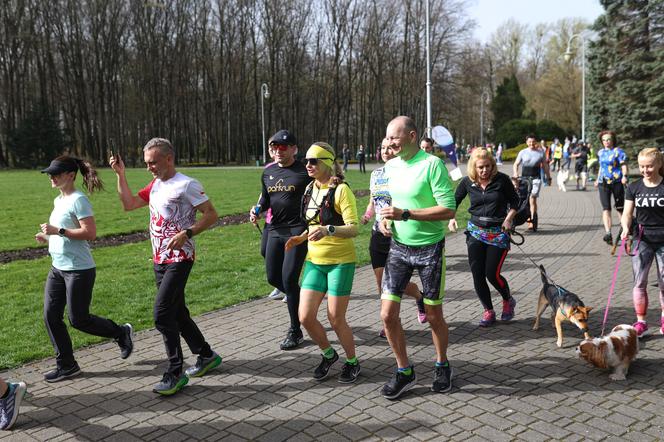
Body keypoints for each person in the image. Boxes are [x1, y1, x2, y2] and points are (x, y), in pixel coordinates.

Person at [110, 138, 221, 396]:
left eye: (153, 162)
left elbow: (211, 214)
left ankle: (175, 371)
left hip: (180, 258)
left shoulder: (187, 185)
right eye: (146, 163)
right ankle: (206, 355)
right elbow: (128, 204)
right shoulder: (156, 185)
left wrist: (188, 233)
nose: (149, 167)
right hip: (159, 259)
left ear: (168, 159)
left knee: (162, 314)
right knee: (178, 312)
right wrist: (121, 175)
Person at [378, 116, 456, 399]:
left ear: (412, 136)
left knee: (434, 316)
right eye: (387, 138)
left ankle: (442, 364)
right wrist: (385, 220)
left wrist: (406, 214)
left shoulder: (431, 165)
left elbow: (448, 209)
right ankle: (404, 370)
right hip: (398, 247)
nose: (389, 143)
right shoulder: (390, 165)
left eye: (394, 138)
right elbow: (388, 203)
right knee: (387, 315)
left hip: (430, 249)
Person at [36, 156, 133, 382]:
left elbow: (89, 233)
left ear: (70, 175)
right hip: (57, 268)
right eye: (50, 173)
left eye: (56, 173)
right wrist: (47, 236)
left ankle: (120, 332)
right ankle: (67, 365)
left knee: (78, 319)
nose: (51, 177)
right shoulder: (58, 200)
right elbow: (63, 234)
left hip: (78, 270)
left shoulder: (79, 200)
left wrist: (57, 230)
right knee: (51, 316)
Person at [286, 142, 361, 383]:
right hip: (315, 261)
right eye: (306, 161)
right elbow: (312, 224)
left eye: (313, 161)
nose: (308, 165)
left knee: (335, 318)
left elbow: (353, 228)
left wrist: (329, 230)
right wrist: (300, 237)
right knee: (305, 316)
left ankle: (352, 362)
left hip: (341, 262)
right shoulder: (309, 188)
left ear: (327, 163)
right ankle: (329, 354)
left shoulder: (341, 190)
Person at [250, 129, 311, 350]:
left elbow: (325, 183)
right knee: (273, 278)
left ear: (294, 148)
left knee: (288, 278)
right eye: (273, 147)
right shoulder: (268, 173)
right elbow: (266, 199)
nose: (277, 151)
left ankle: (295, 330)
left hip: (297, 230)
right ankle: (302, 297)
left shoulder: (305, 170)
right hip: (274, 228)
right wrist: (257, 209)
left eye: (282, 147)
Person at [361, 138, 428, 338]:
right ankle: (390, 321)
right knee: (383, 283)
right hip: (378, 233)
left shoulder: (404, 173)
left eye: (390, 148)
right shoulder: (376, 174)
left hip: (399, 234)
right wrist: (367, 214)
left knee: (396, 284)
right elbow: (374, 200)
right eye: (382, 148)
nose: (385, 151)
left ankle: (418, 297)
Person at [448, 147, 519, 326]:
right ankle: (488, 310)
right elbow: (453, 202)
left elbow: (516, 201)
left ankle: (507, 299)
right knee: (477, 274)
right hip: (476, 232)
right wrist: (451, 218)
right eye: (480, 167)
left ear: (492, 165)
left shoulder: (501, 180)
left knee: (492, 273)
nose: (484, 170)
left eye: (487, 166)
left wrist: (509, 219)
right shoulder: (467, 182)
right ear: (474, 167)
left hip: (498, 232)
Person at [620, 147, 664, 337]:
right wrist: (625, 228)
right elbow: (627, 214)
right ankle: (641, 322)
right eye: (641, 166)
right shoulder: (634, 187)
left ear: (659, 164)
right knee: (639, 282)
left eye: (649, 166)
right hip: (642, 239)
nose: (645, 170)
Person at [260, 144, 286, 301]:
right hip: (270, 220)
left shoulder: (292, 170)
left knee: (282, 255)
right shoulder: (269, 168)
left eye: (277, 148)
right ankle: (281, 285)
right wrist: (257, 210)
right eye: (271, 150)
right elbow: (265, 194)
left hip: (286, 223)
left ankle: (288, 287)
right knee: (265, 251)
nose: (275, 152)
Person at [595, 130, 628, 245]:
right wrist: (597, 179)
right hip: (603, 183)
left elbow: (623, 165)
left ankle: (625, 231)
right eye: (604, 140)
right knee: (606, 208)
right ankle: (608, 233)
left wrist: (624, 176)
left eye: (608, 139)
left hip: (617, 181)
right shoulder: (601, 152)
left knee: (620, 208)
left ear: (613, 140)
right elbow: (601, 167)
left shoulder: (618, 152)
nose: (606, 142)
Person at [513, 134, 551, 232]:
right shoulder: (523, 152)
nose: (531, 144)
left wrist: (548, 176)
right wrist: (515, 173)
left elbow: (545, 165)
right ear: (526, 142)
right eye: (529, 142)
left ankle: (532, 220)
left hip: (536, 179)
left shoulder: (540, 152)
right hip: (524, 179)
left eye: (533, 142)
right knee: (522, 198)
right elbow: (516, 164)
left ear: (536, 142)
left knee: (532, 197)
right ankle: (520, 216)